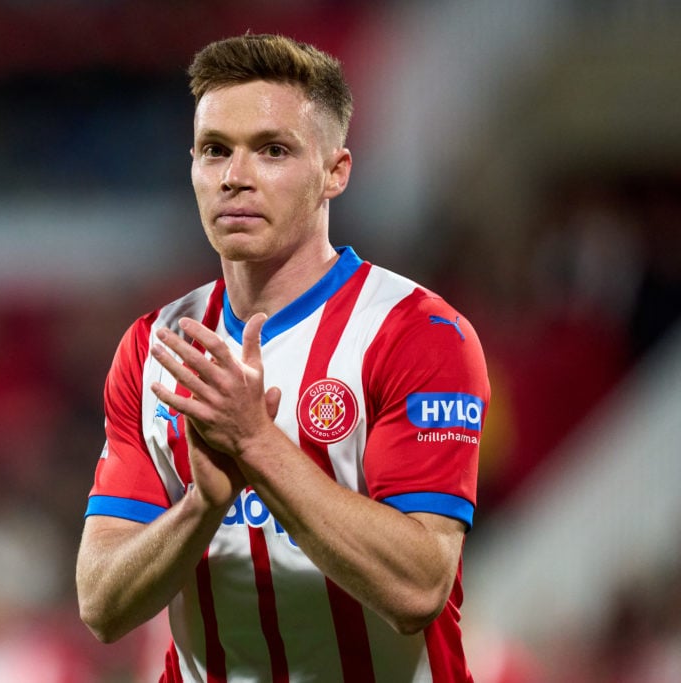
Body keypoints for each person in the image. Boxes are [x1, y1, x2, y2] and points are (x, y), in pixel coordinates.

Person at [76, 33, 489, 682]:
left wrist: (255, 445)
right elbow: (101, 603)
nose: (236, 176)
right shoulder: (156, 346)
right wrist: (200, 507)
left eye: (272, 150)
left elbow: (418, 588)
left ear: (335, 170)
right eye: (215, 150)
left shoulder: (416, 332)